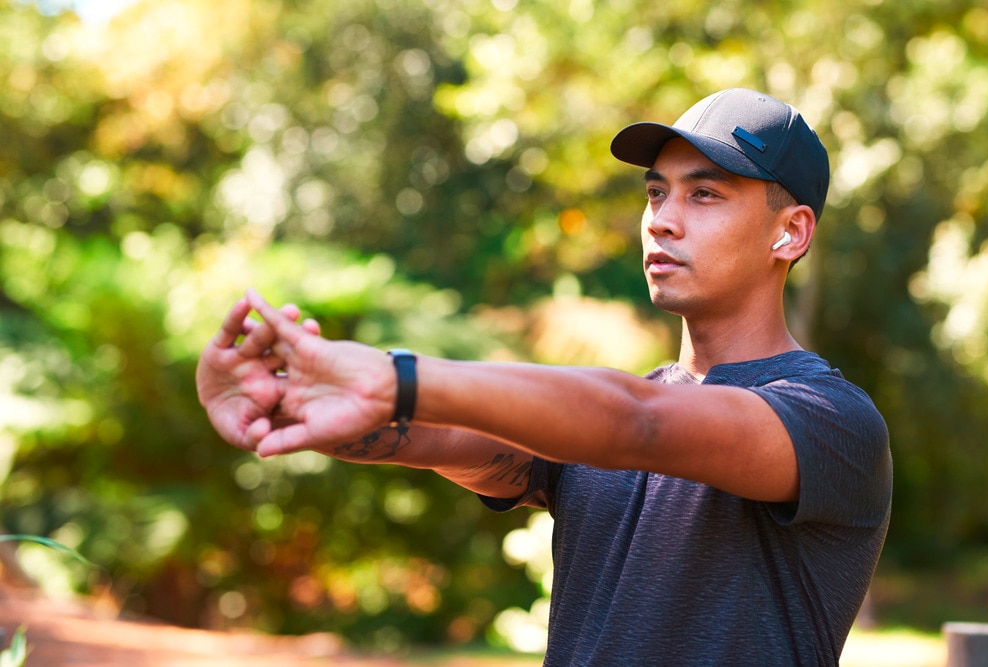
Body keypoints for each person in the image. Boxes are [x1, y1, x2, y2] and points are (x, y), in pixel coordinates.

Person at [197, 88, 892, 666]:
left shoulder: (828, 419)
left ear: (790, 232)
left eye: (704, 195)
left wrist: (396, 377)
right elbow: (449, 436)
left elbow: (637, 424)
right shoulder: (600, 422)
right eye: (656, 194)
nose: (661, 222)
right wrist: (292, 401)